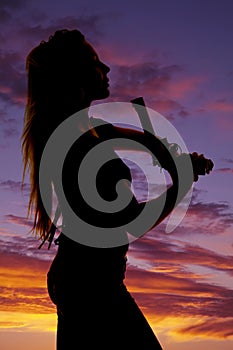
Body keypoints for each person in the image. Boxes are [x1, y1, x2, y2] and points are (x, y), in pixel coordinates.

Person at [21, 29, 213, 349]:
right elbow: (127, 224)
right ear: (74, 74)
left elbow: (141, 139)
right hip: (91, 286)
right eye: (95, 62)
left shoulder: (84, 128)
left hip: (85, 280)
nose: (107, 69)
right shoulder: (75, 141)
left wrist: (174, 158)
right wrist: (180, 182)